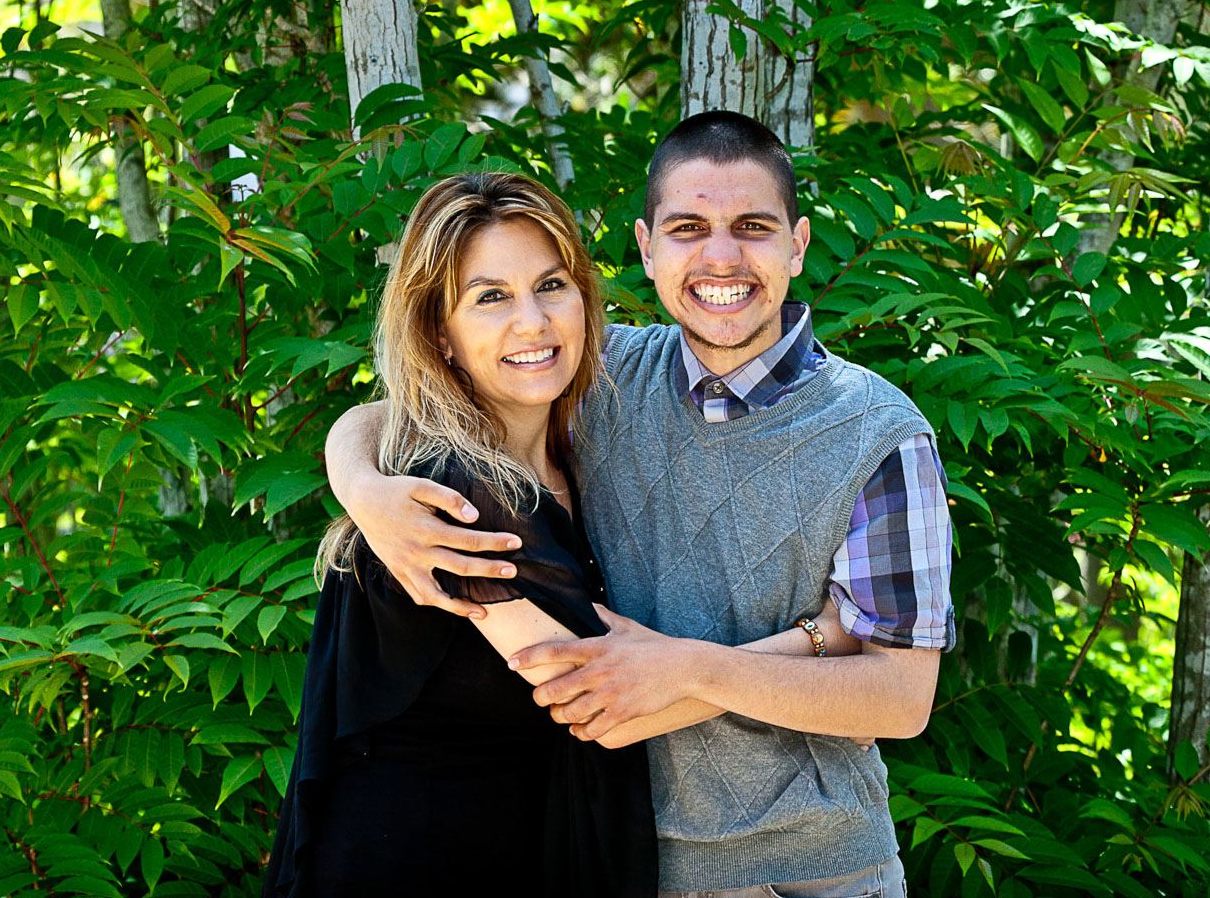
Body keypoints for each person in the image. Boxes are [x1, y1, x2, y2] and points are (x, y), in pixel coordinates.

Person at [326, 113, 955, 898]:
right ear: (647, 247)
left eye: (751, 227)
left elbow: (899, 697)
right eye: (689, 227)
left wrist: (687, 666)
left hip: (824, 867)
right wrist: (359, 482)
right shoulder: (600, 371)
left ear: (796, 244)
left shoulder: (881, 434)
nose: (721, 257)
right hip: (630, 860)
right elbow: (426, 402)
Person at [264, 172, 671, 897]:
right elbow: (598, 699)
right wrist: (816, 646)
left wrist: (352, 472)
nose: (533, 323)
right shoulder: (454, 494)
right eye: (491, 298)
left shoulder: (580, 448)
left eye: (551, 285)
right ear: (440, 336)